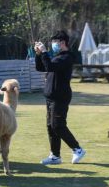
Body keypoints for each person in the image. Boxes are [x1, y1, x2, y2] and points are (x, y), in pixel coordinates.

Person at [34, 30, 86, 165]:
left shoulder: (66, 57)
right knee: (51, 127)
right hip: (51, 97)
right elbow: (42, 67)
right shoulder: (58, 56)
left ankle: (77, 149)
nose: (52, 45)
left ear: (62, 43)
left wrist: (45, 53)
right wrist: (38, 54)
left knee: (58, 125)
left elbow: (50, 65)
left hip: (60, 97)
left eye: (54, 42)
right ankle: (55, 156)